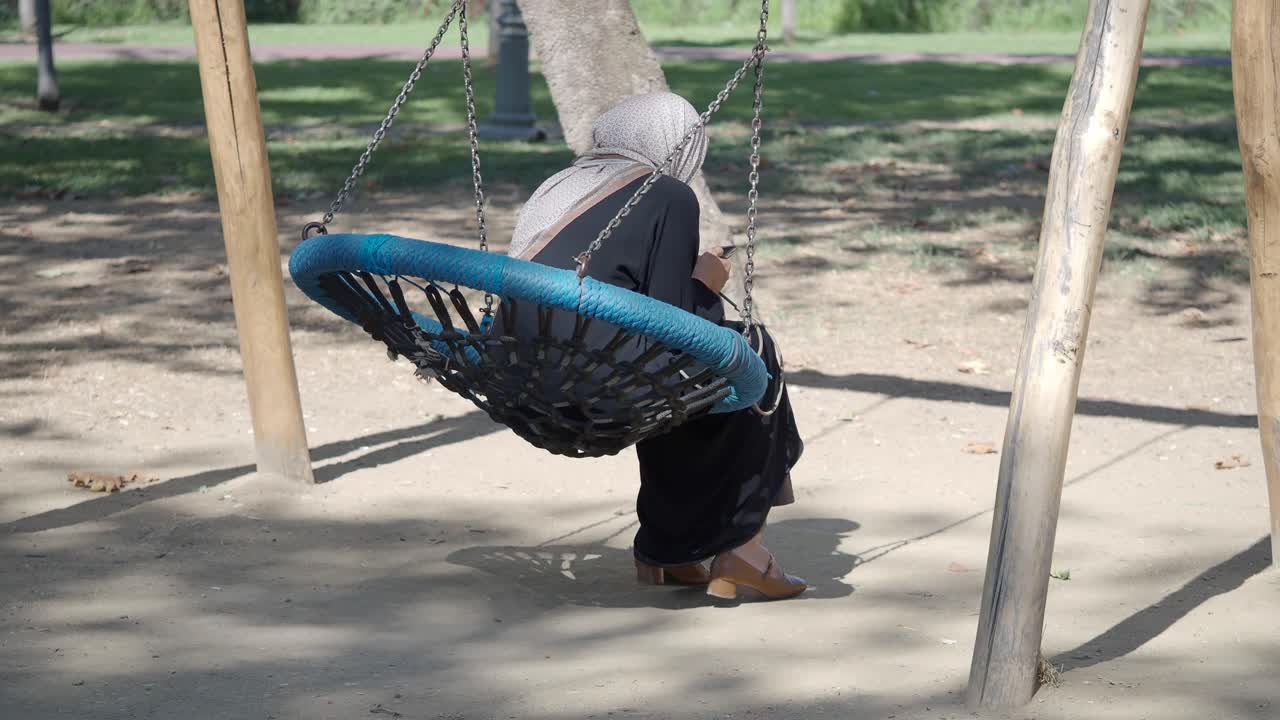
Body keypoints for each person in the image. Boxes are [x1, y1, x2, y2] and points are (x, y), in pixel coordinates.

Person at [507, 92, 805, 601]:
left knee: (684, 376)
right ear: (678, 146)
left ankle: (670, 550)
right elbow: (674, 322)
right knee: (752, 348)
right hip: (601, 378)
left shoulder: (560, 185)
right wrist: (707, 282)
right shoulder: (665, 192)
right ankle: (743, 549)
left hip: (527, 373)